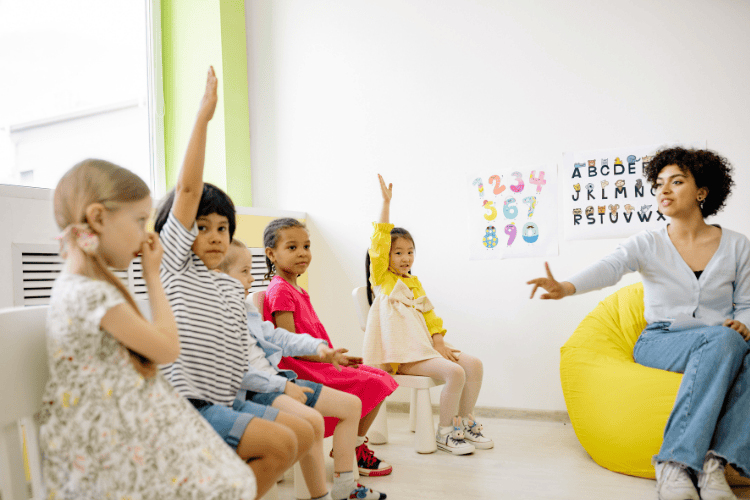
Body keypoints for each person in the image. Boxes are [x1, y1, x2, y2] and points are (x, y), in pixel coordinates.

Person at [528, 147, 750, 500]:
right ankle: (674, 464)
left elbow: (747, 304)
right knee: (725, 342)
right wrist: (566, 287)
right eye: (659, 183)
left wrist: (744, 325)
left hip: (722, 340)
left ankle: (715, 464)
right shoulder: (647, 242)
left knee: (737, 347)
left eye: (677, 181)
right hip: (662, 341)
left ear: (702, 192)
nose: (664, 190)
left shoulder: (738, 245)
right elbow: (610, 267)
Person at [39, 159, 256, 499]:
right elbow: (168, 349)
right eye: (140, 221)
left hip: (122, 433)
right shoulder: (92, 294)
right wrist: (153, 277)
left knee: (234, 480)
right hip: (109, 449)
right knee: (230, 484)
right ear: (98, 218)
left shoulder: (84, 288)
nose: (145, 235)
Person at [153, 66, 312, 499]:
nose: (214, 235)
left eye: (223, 227)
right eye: (201, 227)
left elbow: (247, 346)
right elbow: (187, 191)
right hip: (186, 406)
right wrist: (203, 119)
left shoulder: (226, 285)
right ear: (182, 233)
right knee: (279, 445)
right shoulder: (173, 268)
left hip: (226, 399)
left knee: (299, 436)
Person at [219, 239, 387, 500]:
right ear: (218, 276)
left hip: (280, 381)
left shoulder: (246, 309)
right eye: (244, 272)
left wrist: (320, 348)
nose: (251, 279)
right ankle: (318, 494)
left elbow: (279, 337)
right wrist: (281, 386)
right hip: (259, 390)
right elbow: (237, 373)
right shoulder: (216, 318)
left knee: (351, 405)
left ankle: (345, 486)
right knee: (311, 422)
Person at [362, 174, 494, 456]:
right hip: (402, 355)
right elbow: (379, 240)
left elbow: (430, 315)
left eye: (410, 252)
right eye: (398, 252)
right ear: (386, 256)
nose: (406, 258)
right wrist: (385, 204)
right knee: (456, 372)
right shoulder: (382, 280)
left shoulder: (413, 282)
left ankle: (463, 423)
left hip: (425, 349)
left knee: (474, 364)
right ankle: (445, 433)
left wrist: (439, 340)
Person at [262, 218, 399, 476]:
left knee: (381, 377)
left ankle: (351, 445)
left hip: (318, 363)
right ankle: (354, 450)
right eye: (292, 247)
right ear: (271, 254)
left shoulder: (294, 288)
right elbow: (289, 343)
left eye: (306, 246)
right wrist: (328, 358)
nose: (302, 253)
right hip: (304, 371)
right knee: (377, 383)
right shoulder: (280, 290)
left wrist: (335, 358)